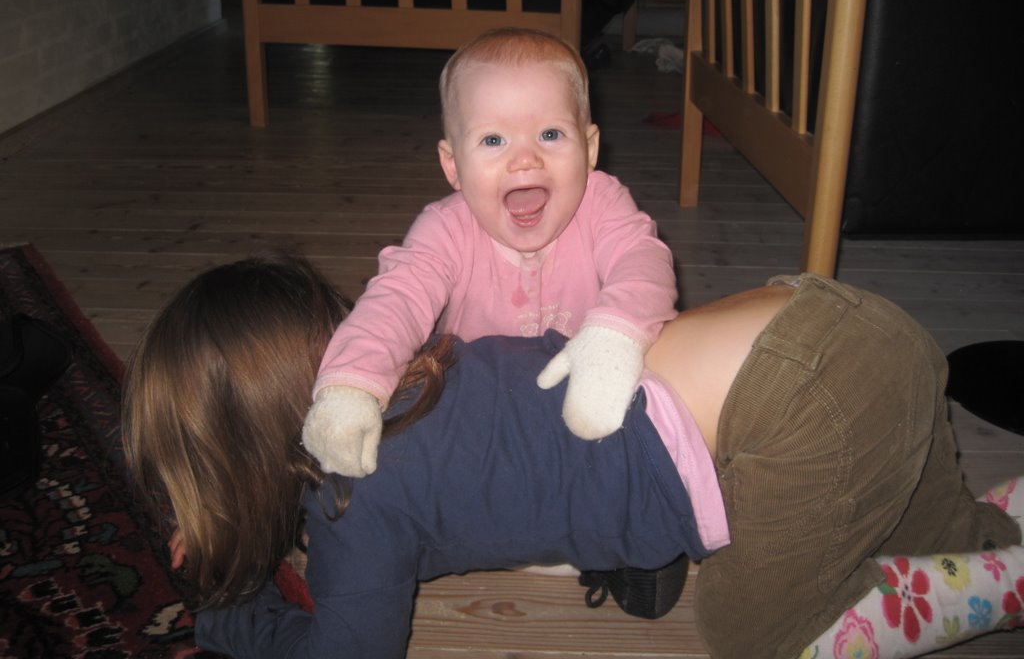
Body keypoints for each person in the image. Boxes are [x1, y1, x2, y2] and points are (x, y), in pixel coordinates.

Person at [121, 254, 1024, 659]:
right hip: (849, 332)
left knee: (753, 633)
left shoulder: (354, 499)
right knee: (950, 526)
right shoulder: (414, 369)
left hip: (802, 406)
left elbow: (345, 649)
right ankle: (997, 537)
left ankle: (1003, 589)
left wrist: (228, 616)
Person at [305, 28, 678, 478]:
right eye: (493, 140)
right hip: (474, 410)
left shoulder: (603, 204)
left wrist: (614, 336)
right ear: (453, 165)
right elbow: (396, 299)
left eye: (550, 134)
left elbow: (643, 262)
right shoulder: (445, 230)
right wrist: (351, 383)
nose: (524, 159)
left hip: (587, 391)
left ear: (590, 148)